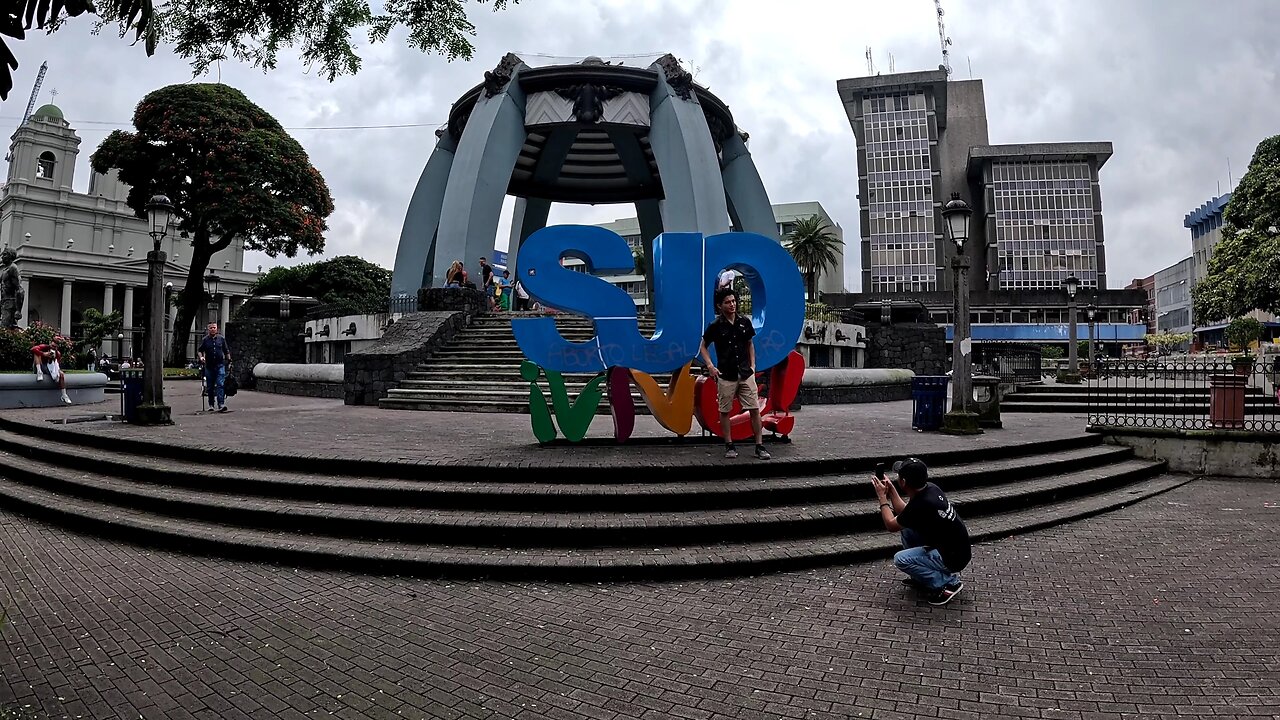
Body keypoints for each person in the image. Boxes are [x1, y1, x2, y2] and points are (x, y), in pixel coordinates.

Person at [870, 457, 971, 606]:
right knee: (907, 530)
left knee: (901, 559)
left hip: (952, 558)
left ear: (903, 482)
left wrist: (882, 498)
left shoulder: (923, 503)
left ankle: (948, 584)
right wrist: (891, 490)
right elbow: (906, 514)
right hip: (955, 549)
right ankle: (921, 577)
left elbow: (891, 525)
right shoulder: (930, 489)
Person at [697, 286, 770, 460]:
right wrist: (710, 366)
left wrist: (753, 365)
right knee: (724, 410)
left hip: (745, 373)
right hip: (725, 374)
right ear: (720, 306)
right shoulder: (715, 326)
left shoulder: (744, 322)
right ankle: (729, 444)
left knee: (754, 409)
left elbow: (750, 343)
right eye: (727, 302)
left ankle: (759, 445)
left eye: (733, 301)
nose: (732, 305)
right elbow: (703, 346)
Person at [197, 322, 233, 412]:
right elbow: (200, 350)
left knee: (220, 384)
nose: (213, 329)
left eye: (214, 327)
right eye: (211, 328)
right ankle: (211, 404)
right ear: (208, 329)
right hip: (209, 366)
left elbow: (226, 350)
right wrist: (201, 357)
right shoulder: (205, 340)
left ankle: (221, 404)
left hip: (220, 365)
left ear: (217, 329)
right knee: (210, 386)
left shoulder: (221, 339)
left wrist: (229, 360)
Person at [31, 338, 71, 404]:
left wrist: (52, 359)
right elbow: (33, 349)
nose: (53, 348)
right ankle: (39, 372)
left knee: (61, 374)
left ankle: (64, 395)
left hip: (49, 368)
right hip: (39, 366)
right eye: (52, 346)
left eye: (55, 347)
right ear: (50, 343)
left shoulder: (57, 354)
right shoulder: (45, 347)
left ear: (57, 347)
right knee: (36, 353)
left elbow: (56, 365)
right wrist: (43, 354)